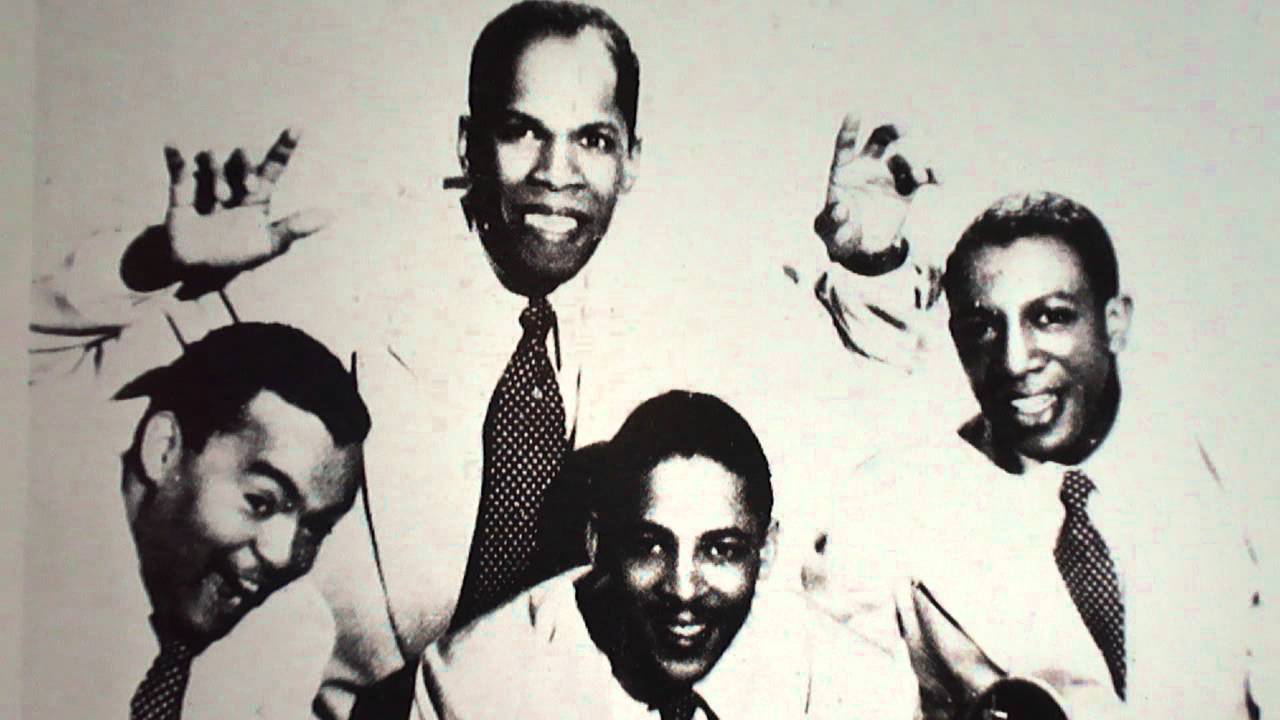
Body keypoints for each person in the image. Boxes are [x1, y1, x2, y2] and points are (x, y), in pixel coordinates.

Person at [30, 3, 945, 716]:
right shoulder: (327, 280)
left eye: (593, 139)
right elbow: (32, 368)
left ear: (632, 160)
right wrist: (152, 264)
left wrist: (868, 268)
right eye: (522, 130)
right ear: (468, 145)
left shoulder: (682, 315)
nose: (557, 171)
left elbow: (861, 426)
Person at [809, 191, 1269, 718]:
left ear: (1115, 323)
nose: (1014, 360)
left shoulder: (1232, 473)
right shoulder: (888, 504)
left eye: (1050, 317)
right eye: (983, 327)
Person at [415, 390, 917, 719]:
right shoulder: (473, 686)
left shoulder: (867, 694)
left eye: (721, 551)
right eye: (650, 545)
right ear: (597, 542)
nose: (682, 588)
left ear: (766, 552)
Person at [23, 321, 371, 719]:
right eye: (261, 502)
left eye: (315, 529)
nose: (282, 555)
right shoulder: (32, 545)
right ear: (164, 450)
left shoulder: (290, 630)